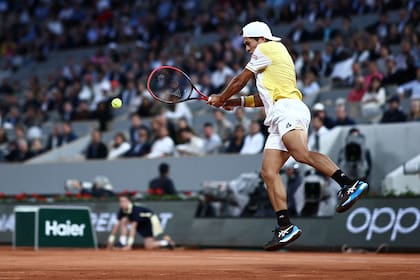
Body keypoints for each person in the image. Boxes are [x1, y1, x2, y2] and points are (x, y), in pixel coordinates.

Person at [207, 21, 368, 251]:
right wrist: (237, 101)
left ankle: (349, 184)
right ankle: (285, 225)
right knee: (269, 171)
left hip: (288, 110)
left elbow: (240, 80)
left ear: (260, 38)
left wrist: (221, 97)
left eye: (248, 43)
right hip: (278, 115)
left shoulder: (267, 49)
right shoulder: (269, 58)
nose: (247, 48)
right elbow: (263, 98)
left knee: (300, 154)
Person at [106, 195, 175, 250]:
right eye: (120, 201)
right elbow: (116, 226)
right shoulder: (122, 210)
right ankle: (122, 242)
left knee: (148, 246)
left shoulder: (135, 210)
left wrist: (129, 245)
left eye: (124, 201)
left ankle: (166, 242)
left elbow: (133, 227)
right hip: (141, 223)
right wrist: (110, 242)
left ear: (129, 202)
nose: (122, 203)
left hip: (150, 222)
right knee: (123, 220)